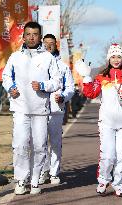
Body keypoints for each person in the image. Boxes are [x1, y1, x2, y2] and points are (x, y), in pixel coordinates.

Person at [75, 43, 122, 197]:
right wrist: (86, 76)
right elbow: (91, 93)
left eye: (118, 56)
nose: (116, 59)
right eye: (113, 56)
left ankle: (119, 185)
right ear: (109, 59)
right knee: (108, 156)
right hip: (107, 123)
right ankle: (103, 180)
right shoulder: (102, 77)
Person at [2, 22, 62, 195]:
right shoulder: (15, 57)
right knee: (20, 145)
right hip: (20, 107)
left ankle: (35, 180)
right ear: (24, 36)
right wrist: (10, 87)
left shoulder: (48, 58)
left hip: (40, 109)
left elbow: (57, 81)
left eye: (34, 34)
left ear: (40, 37)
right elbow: (6, 76)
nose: (31, 37)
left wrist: (43, 85)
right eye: (28, 34)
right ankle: (21, 179)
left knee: (39, 146)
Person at [38, 34, 75, 185]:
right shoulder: (37, 64)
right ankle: (43, 171)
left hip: (55, 109)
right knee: (40, 143)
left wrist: (63, 97)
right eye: (45, 43)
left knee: (55, 142)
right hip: (38, 109)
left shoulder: (63, 66)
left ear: (56, 45)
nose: (48, 45)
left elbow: (70, 88)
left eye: (51, 43)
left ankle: (54, 172)